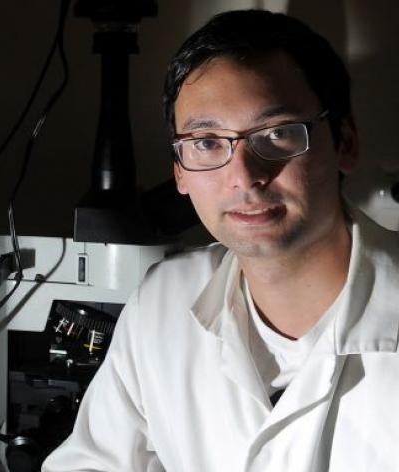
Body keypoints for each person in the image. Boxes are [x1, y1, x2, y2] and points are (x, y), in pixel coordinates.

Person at [42, 9, 399, 472]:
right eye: (207, 141)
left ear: (345, 142)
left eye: (276, 133)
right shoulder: (162, 304)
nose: (244, 176)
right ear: (179, 171)